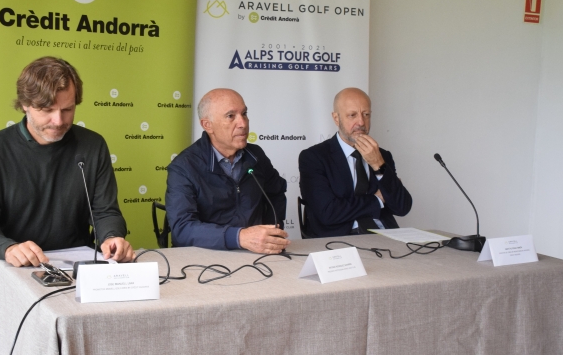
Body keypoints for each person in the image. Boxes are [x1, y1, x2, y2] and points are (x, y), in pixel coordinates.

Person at [0, 56, 134, 316]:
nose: (58, 120)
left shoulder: (92, 145)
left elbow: (105, 211)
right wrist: (8, 248)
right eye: (47, 110)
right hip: (9, 266)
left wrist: (112, 237)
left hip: (76, 264)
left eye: (67, 110)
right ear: (24, 104)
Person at [165, 88, 290, 253]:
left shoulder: (256, 155)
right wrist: (240, 237)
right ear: (207, 125)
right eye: (231, 116)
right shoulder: (184, 166)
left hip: (254, 254)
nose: (243, 124)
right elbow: (182, 229)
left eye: (244, 114)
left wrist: (270, 232)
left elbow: (277, 192)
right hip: (204, 256)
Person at [298, 87, 412, 237]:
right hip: (337, 240)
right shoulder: (314, 157)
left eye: (366, 114)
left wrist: (379, 165)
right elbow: (328, 212)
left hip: (383, 237)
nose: (361, 122)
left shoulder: (382, 155)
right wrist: (377, 200)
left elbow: (402, 207)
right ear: (336, 118)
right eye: (352, 115)